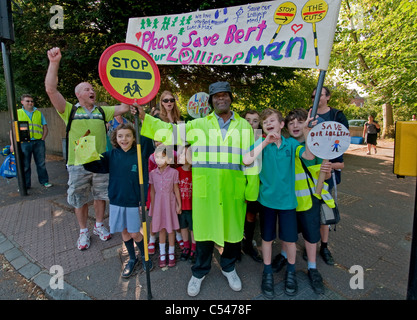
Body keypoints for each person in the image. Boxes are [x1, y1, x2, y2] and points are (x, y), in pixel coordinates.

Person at [133, 81, 259, 297]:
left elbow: (253, 162)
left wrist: (251, 193)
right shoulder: (199, 125)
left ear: (231, 98)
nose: (221, 99)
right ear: (210, 101)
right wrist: (145, 117)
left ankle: (229, 268)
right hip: (206, 190)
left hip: (233, 190)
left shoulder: (245, 127)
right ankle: (199, 272)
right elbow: (170, 132)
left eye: (224, 95)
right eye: (216, 96)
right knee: (203, 235)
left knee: (232, 234)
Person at [45, 47, 130, 250]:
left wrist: (129, 86)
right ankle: (83, 231)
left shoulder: (102, 110)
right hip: (78, 163)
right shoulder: (69, 110)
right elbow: (51, 90)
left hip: (101, 163)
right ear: (77, 94)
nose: (91, 91)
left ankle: (99, 226)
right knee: (79, 199)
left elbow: (125, 107)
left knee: (101, 196)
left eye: (92, 88)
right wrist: (54, 63)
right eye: (86, 89)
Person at [242, 108, 315, 298]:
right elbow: (246, 160)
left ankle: (291, 271)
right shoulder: (262, 143)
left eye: (271, 120)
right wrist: (265, 142)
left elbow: (309, 156)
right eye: (265, 122)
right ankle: (267, 271)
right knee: (267, 238)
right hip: (266, 202)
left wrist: (307, 132)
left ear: (281, 125)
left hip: (288, 203)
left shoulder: (291, 144)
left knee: (289, 240)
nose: (267, 123)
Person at [83, 123, 152, 277]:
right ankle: (132, 259)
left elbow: (145, 179)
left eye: (128, 135)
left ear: (134, 138)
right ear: (115, 138)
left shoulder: (140, 155)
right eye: (120, 136)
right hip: (116, 200)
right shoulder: (111, 155)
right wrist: (84, 152)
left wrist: (144, 200)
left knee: (135, 233)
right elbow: (94, 165)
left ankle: (144, 256)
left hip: (134, 201)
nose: (124, 139)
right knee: (125, 232)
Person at [284, 108, 334, 294]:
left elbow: (323, 173)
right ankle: (284, 257)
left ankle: (312, 268)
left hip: (310, 199)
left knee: (311, 235)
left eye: (300, 121)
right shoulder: (285, 144)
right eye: (291, 122)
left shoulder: (317, 144)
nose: (296, 125)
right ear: (286, 126)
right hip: (288, 200)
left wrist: (326, 172)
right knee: (288, 234)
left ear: (307, 123)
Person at [310, 86, 348, 265]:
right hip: (310, 171)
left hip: (327, 170)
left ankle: (324, 247)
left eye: (319, 95)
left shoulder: (337, 115)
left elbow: (343, 141)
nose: (315, 98)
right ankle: (310, 245)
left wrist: (333, 164)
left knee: (325, 210)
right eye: (312, 96)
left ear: (328, 97)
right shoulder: (310, 113)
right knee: (311, 210)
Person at [148, 144, 182, 268]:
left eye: (162, 158)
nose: (158, 160)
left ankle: (171, 252)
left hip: (170, 203)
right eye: (156, 158)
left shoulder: (174, 172)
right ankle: (162, 253)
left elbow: (176, 189)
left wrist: (179, 204)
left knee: (171, 228)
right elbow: (152, 191)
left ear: (168, 159)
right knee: (161, 228)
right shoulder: (152, 173)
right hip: (158, 204)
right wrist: (152, 205)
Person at [10, 94, 52, 189]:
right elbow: (12, 131)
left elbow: (45, 127)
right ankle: (25, 185)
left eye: (31, 101)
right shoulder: (17, 113)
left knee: (41, 164)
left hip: (38, 142)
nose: (30, 103)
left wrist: (43, 138)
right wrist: (12, 144)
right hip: (24, 143)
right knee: (25, 165)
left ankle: (44, 182)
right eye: (27, 101)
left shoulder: (38, 113)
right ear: (22, 102)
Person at [241, 110, 262, 262]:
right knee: (237, 218)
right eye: (248, 120)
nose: (251, 124)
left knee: (250, 217)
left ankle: (247, 244)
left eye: (255, 121)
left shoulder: (263, 140)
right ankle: (234, 248)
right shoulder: (237, 139)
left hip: (255, 187)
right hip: (239, 185)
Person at [177, 144, 196, 263]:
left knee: (193, 228)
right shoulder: (177, 171)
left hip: (193, 206)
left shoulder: (195, 171)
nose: (183, 156)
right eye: (181, 153)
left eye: (186, 153)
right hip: (181, 206)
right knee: (183, 227)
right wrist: (176, 205)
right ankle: (186, 246)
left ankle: (194, 247)